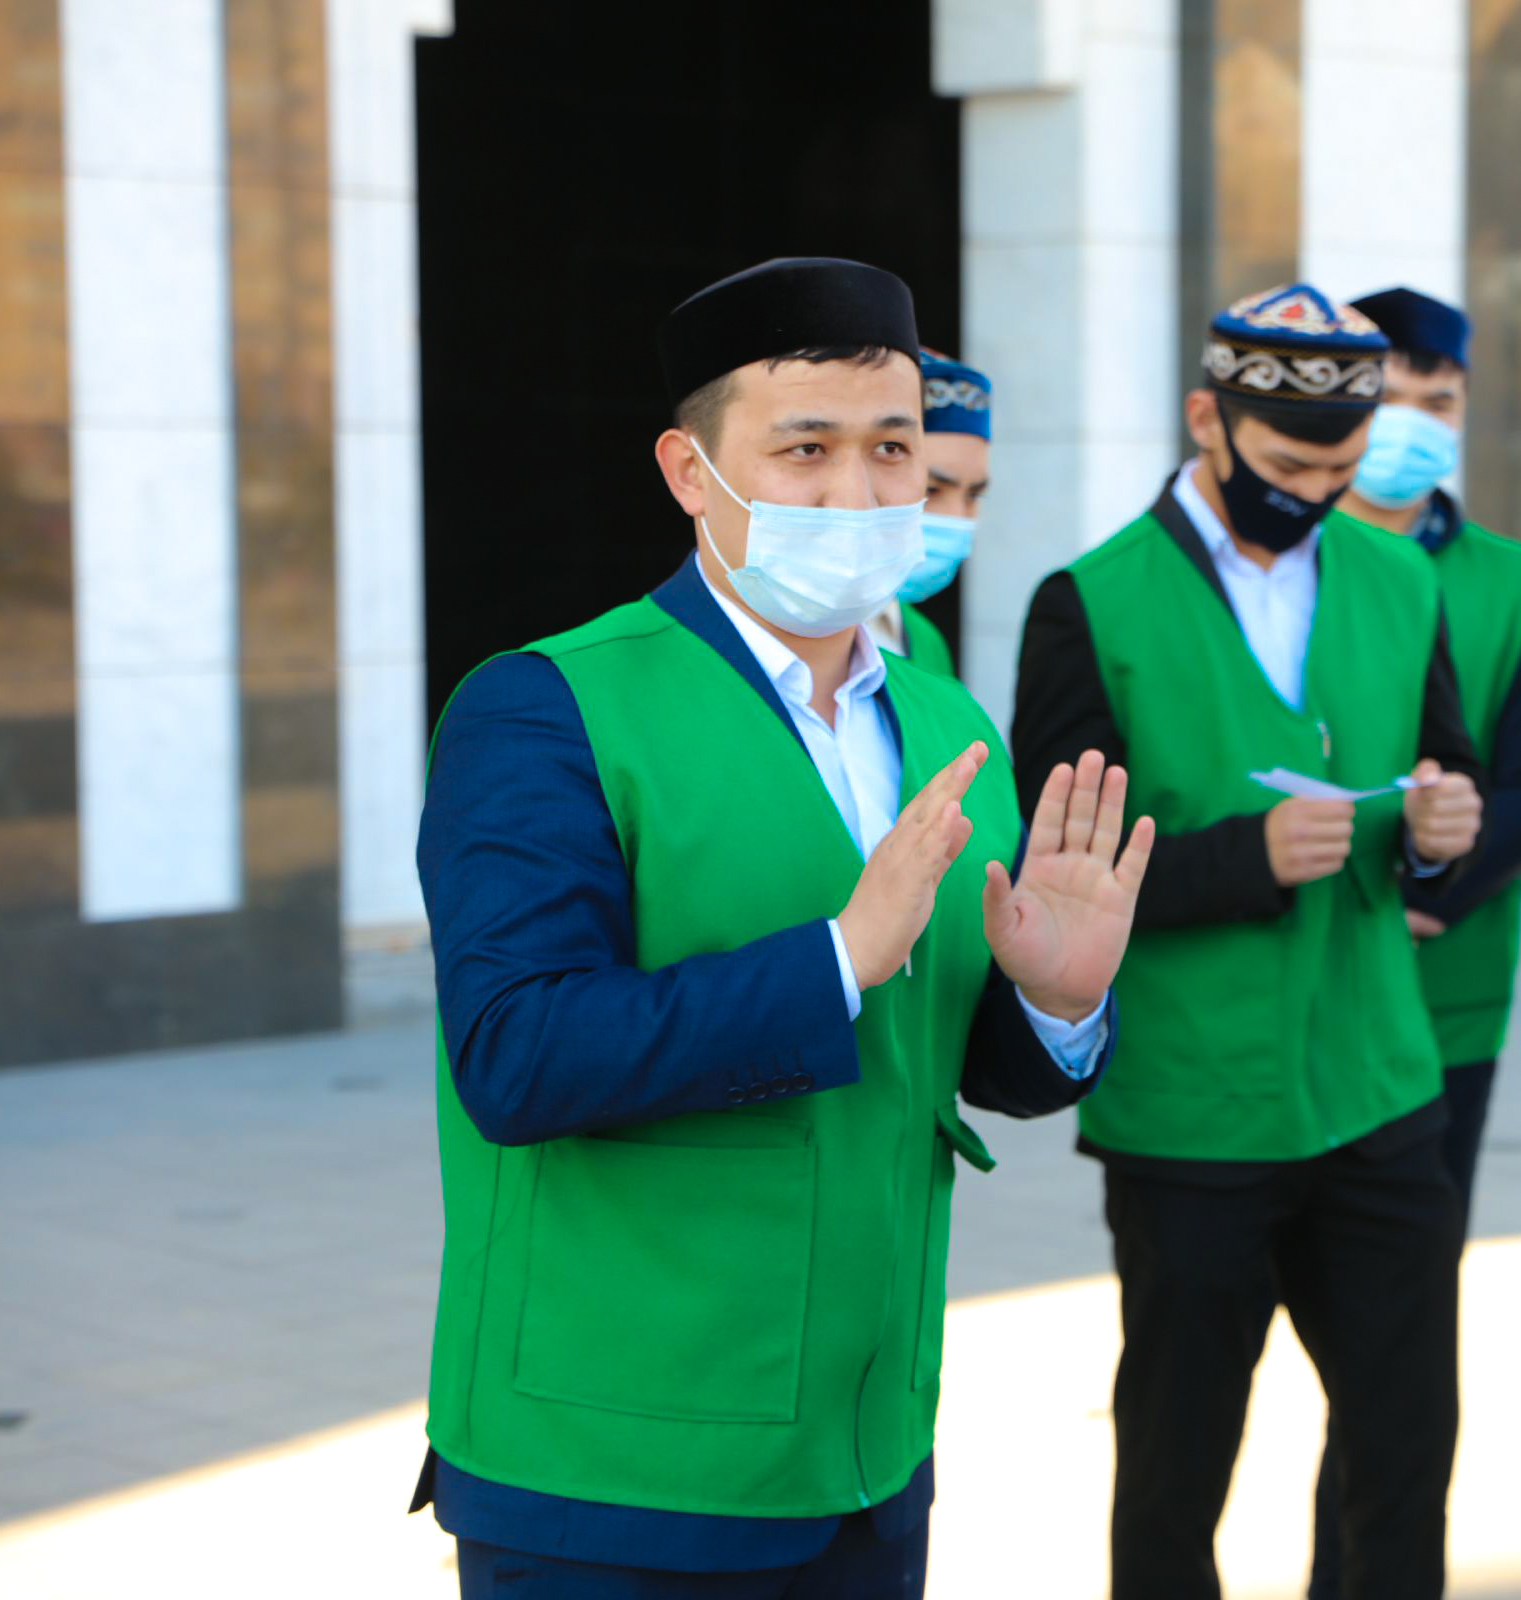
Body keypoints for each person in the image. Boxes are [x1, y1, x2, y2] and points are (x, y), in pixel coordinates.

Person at [407, 257, 1154, 1599]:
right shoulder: (544, 708)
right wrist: (840, 957)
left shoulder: (946, 724)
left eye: (892, 450)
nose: (859, 495)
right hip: (613, 1466)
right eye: (805, 450)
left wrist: (1055, 999)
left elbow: (945, 1064)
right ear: (690, 473)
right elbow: (518, 1055)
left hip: (865, 1451)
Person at [1012, 283, 1485, 1600]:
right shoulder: (1090, 602)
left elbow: (1446, 771)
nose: (1315, 494)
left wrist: (1443, 831)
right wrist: (1243, 857)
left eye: (1340, 470)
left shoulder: (1402, 577)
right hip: (1193, 1110)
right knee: (1179, 1463)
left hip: (1378, 1090)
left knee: (1406, 1447)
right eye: (1287, 465)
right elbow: (1055, 876)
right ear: (1205, 419)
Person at [1305, 285, 1521, 1600]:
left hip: (1445, 1000)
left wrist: (1437, 891)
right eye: (1393, 397)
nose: (1417, 422)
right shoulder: (1286, 561)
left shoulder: (1504, 577)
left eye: (1441, 401)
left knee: (1403, 1326)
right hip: (1297, 984)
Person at [868, 348, 989, 677]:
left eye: (973, 495)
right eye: (932, 490)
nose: (957, 518)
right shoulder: (794, 636)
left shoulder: (923, 639)